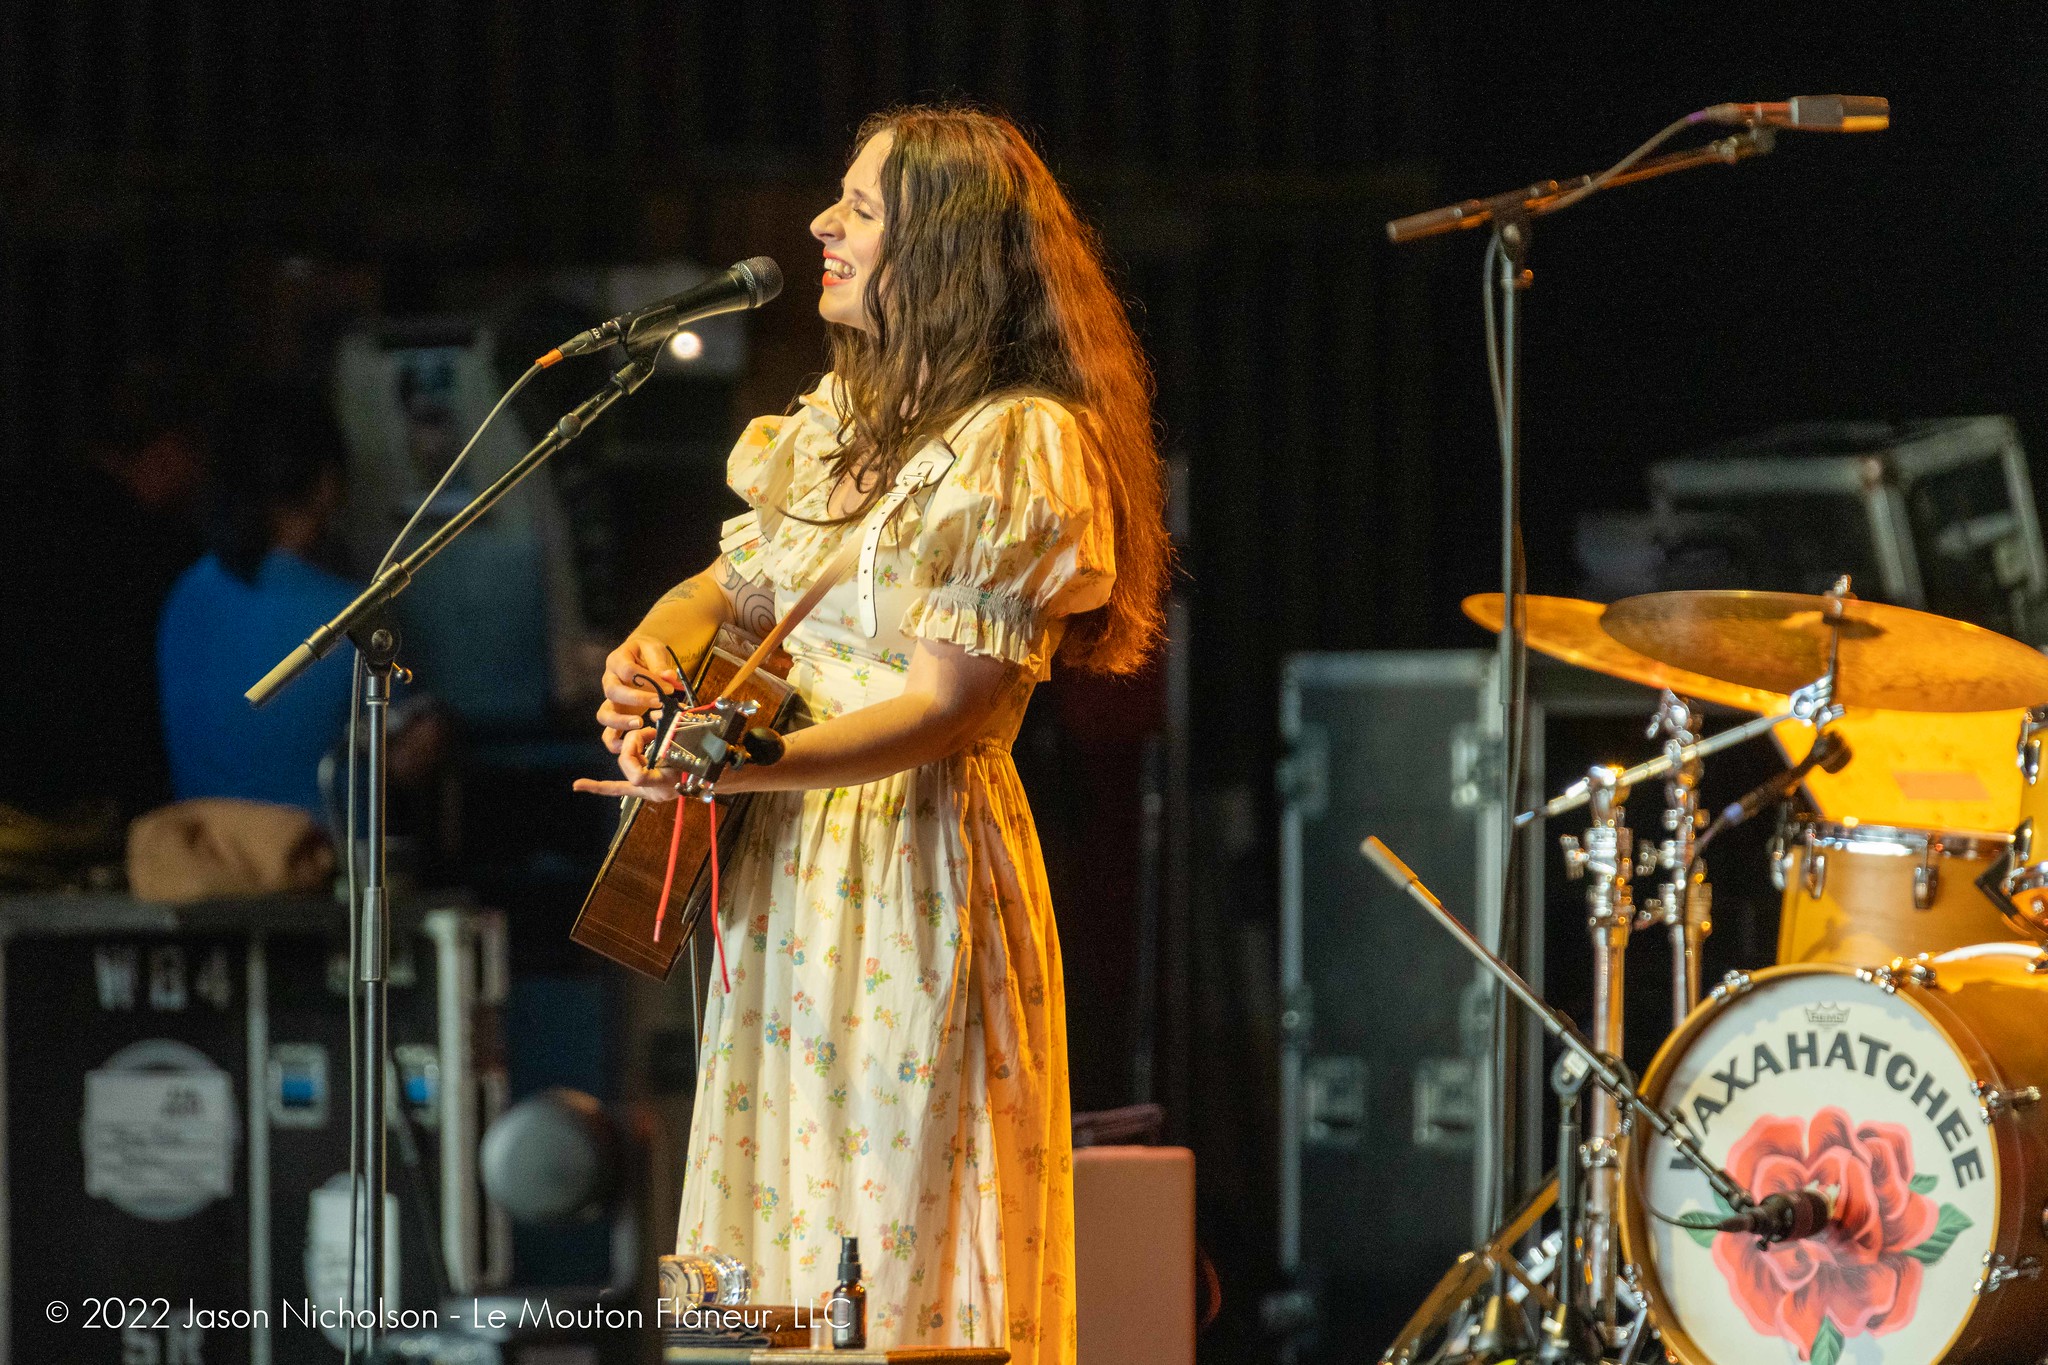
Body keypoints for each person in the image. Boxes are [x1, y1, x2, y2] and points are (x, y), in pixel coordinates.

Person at [573, 107, 1169, 1364]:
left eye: (857, 207)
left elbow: (945, 707)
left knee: (895, 1223)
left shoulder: (1018, 438)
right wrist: (649, 649)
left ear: (941, 247)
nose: (819, 226)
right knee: (778, 1217)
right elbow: (730, 591)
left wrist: (751, 759)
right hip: (790, 867)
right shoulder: (837, 419)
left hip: (907, 858)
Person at [157, 383, 359, 815]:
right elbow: (405, 755)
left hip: (205, 863)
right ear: (326, 482)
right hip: (317, 867)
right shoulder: (352, 614)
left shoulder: (185, 596)